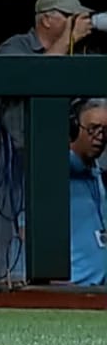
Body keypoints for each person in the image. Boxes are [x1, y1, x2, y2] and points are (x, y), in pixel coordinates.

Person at [65, 98, 107, 287]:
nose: (100, 137)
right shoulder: (54, 176)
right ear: (74, 129)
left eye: (105, 130)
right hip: (71, 291)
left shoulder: (97, 175)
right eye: (93, 128)